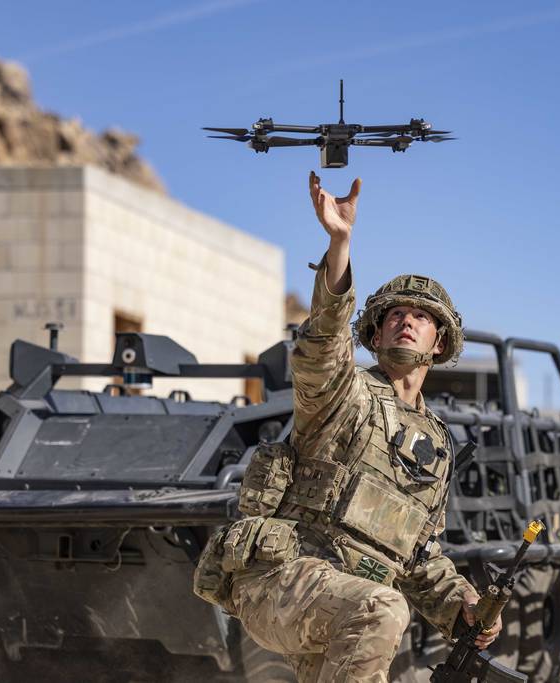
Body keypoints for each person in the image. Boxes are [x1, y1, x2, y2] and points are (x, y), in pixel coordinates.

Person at [195, 172, 499, 683]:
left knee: (374, 612)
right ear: (375, 335)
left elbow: (420, 553)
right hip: (281, 579)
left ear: (440, 343)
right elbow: (320, 348)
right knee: (383, 609)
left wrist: (462, 605)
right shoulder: (344, 394)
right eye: (394, 315)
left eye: (421, 317)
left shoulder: (439, 444)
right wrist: (340, 243)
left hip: (342, 599)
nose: (406, 321)